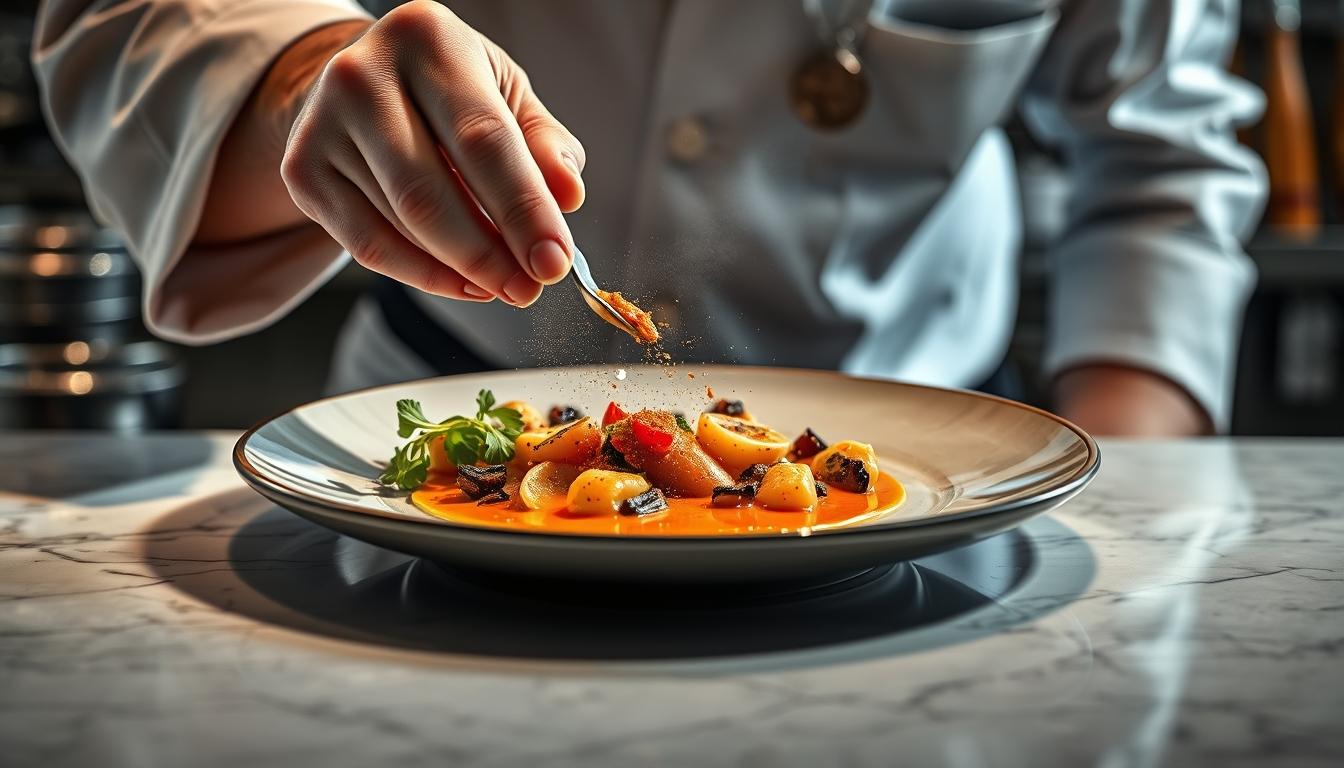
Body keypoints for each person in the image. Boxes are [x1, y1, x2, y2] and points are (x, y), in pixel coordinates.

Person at [32, 0, 1265, 436]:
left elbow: (1163, 158)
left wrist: (1123, 504)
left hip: (934, 456)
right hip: (446, 437)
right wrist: (304, 82)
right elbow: (118, 19)